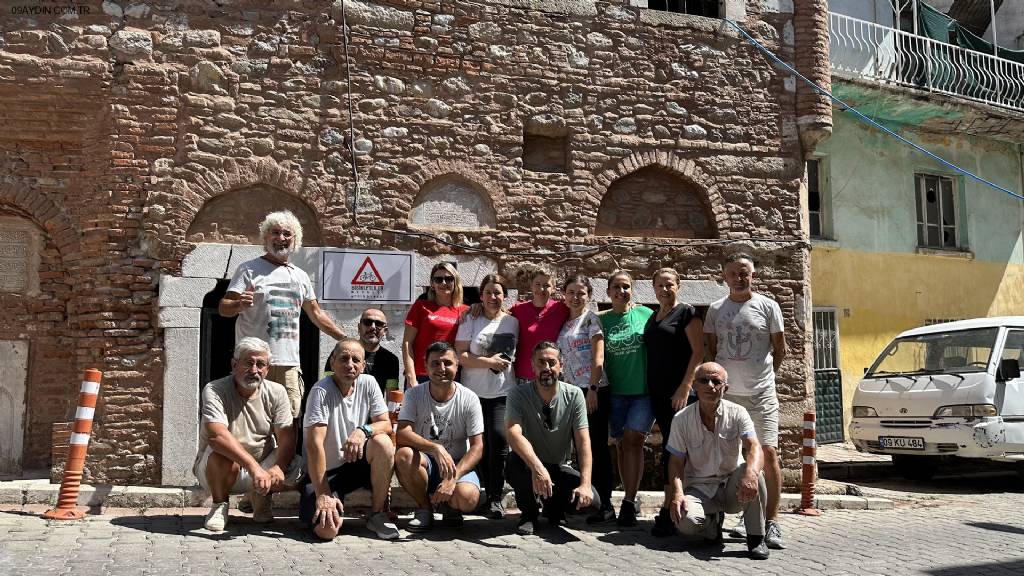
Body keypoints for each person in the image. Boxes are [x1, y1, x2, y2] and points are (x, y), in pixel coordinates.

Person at [219, 210, 346, 420]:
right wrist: (239, 305)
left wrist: (344, 339)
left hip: (288, 363)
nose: (281, 238)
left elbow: (315, 313)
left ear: (295, 239)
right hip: (253, 361)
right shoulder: (248, 269)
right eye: (275, 232)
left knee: (289, 420)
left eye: (287, 233)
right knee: (250, 419)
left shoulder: (301, 276)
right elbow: (224, 307)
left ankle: (285, 455)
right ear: (266, 237)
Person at [704, 252, 787, 549]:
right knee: (732, 459)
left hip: (761, 395)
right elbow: (711, 351)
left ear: (752, 275)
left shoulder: (768, 306)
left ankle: (772, 522)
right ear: (724, 277)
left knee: (767, 453)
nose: (739, 278)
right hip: (730, 397)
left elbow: (780, 349)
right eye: (733, 273)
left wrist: (763, 377)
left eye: (744, 273)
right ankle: (743, 516)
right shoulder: (715, 309)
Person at [194, 337, 301, 532]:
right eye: (248, 363)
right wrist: (254, 469)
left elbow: (286, 435)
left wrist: (278, 467)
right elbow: (217, 436)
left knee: (296, 464)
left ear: (267, 369)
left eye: (261, 364)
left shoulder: (277, 392)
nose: (254, 370)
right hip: (219, 469)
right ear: (234, 365)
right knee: (222, 456)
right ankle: (219, 505)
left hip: (259, 466)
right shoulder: (215, 389)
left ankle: (261, 498)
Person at [666, 362, 769, 560]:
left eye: (716, 381)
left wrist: (751, 473)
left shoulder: (738, 413)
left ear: (725, 388)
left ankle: (756, 538)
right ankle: (711, 526)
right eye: (704, 381)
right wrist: (677, 493)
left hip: (733, 487)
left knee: (756, 472)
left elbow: (754, 446)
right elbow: (676, 462)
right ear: (695, 386)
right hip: (699, 489)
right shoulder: (681, 419)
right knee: (684, 522)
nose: (710, 386)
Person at [301, 339, 399, 541]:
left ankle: (377, 514)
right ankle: (328, 506)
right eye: (344, 359)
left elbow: (385, 424)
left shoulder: (369, 383)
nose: (350, 365)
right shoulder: (321, 391)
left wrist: (362, 431)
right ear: (332, 362)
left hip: (355, 463)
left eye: (356, 360)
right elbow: (314, 446)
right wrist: (323, 495)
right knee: (326, 531)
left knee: (382, 442)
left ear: (363, 366)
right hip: (325, 472)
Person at [505, 341, 601, 535]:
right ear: (532, 366)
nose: (546, 368)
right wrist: (537, 467)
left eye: (552, 362)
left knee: (593, 504)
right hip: (529, 465)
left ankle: (553, 507)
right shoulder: (517, 394)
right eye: (540, 363)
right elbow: (513, 434)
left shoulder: (574, 395)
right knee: (514, 462)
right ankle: (529, 514)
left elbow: (583, 443)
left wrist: (584, 484)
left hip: (559, 466)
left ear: (561, 366)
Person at [394, 342, 484, 532]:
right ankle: (424, 508)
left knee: (468, 499)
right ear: (425, 366)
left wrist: (454, 478)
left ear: (457, 366)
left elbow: (477, 447)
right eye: (435, 363)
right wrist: (436, 448)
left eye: (447, 363)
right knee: (404, 456)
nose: (441, 369)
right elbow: (402, 433)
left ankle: (449, 506)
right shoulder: (413, 394)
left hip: (456, 464)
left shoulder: (469, 398)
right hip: (425, 462)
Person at [644, 268, 704, 536]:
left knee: (681, 450)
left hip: (680, 395)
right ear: (653, 288)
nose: (664, 289)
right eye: (660, 285)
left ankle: (678, 508)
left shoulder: (687, 313)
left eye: (669, 284)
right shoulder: (654, 316)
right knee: (670, 448)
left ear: (678, 286)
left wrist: (686, 387)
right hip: (658, 394)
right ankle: (673, 507)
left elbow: (698, 352)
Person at [454, 274, 518, 519]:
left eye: (498, 292)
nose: (493, 297)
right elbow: (461, 355)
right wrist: (488, 362)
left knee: (500, 443)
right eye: (489, 292)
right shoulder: (471, 318)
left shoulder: (513, 321)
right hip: (474, 393)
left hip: (503, 392)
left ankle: (494, 497)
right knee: (478, 445)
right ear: (481, 295)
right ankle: (477, 491)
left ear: (504, 296)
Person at [555, 274, 614, 525]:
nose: (576, 297)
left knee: (596, 448)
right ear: (564, 295)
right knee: (576, 448)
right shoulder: (563, 321)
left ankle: (606, 505)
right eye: (571, 292)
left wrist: (592, 389)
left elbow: (598, 358)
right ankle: (581, 501)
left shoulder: (591, 319)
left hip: (592, 390)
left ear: (589, 295)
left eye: (581, 292)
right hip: (570, 392)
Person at [598, 269, 654, 527]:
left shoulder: (646, 315)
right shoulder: (600, 320)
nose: (622, 291)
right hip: (615, 393)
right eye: (617, 287)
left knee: (634, 440)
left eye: (627, 287)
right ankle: (628, 499)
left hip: (642, 392)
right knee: (621, 444)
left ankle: (630, 502)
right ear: (608, 292)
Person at [402, 262, 468, 389]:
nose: (444, 283)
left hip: (450, 375)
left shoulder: (466, 311)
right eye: (438, 279)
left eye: (449, 279)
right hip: (422, 375)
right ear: (432, 284)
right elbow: (407, 343)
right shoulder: (421, 306)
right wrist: (411, 376)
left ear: (455, 282)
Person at [510, 266, 570, 385]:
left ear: (553, 288)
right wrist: (477, 307)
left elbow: (582, 314)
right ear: (531, 286)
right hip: (523, 378)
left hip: (552, 377)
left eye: (547, 285)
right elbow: (495, 314)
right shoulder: (518, 310)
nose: (541, 289)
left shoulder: (562, 309)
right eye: (537, 284)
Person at [324, 308, 400, 395]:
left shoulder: (391, 360)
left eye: (379, 324)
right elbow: (327, 385)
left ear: (385, 331)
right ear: (359, 327)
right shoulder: (339, 353)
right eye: (368, 322)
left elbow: (392, 395)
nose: (373, 327)